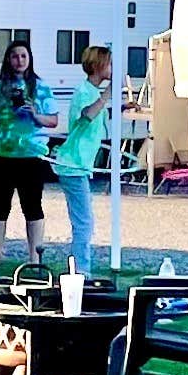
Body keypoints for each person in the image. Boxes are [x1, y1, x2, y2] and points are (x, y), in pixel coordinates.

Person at [0, 39, 58, 267]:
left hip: (31, 155)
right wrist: (3, 101)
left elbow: (52, 121)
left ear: (30, 59)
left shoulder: (40, 87)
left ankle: (34, 259)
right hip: (0, 154)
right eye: (15, 56)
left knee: (32, 205)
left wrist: (34, 113)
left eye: (23, 56)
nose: (19, 61)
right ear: (8, 59)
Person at [54, 45, 115, 265]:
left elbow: (97, 113)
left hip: (80, 166)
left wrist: (121, 105)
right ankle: (81, 271)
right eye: (109, 63)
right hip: (73, 165)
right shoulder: (84, 91)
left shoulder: (92, 93)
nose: (112, 68)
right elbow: (87, 114)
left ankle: (79, 267)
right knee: (84, 223)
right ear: (99, 65)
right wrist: (108, 95)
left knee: (84, 221)